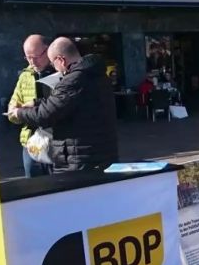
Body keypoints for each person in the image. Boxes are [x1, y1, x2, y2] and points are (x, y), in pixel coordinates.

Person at [8, 37, 119, 172]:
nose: (55, 68)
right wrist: (35, 102)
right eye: (28, 58)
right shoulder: (97, 74)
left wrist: (19, 112)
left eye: (53, 62)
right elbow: (67, 103)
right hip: (101, 151)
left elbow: (46, 114)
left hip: (80, 157)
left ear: (61, 60)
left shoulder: (72, 80)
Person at [7, 35, 55, 178]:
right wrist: (14, 113)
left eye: (36, 56)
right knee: (33, 185)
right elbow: (12, 110)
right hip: (32, 141)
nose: (32, 62)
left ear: (47, 51)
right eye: (28, 57)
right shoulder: (25, 76)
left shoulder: (61, 71)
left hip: (57, 140)